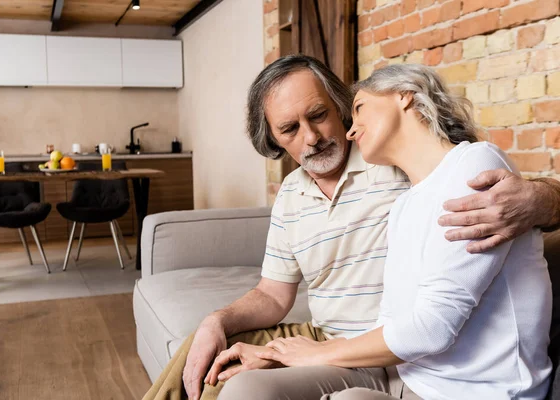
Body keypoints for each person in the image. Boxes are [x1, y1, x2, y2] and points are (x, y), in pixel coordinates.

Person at [143, 55, 560, 400]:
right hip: (326, 333)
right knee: (208, 355)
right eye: (290, 129)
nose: (311, 137)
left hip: (387, 350)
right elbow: (273, 294)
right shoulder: (291, 194)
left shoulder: (395, 159)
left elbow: (490, 179)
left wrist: (540, 199)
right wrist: (218, 320)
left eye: (320, 115)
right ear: (273, 140)